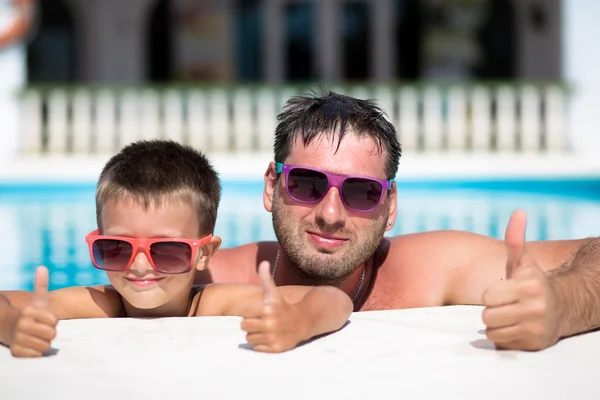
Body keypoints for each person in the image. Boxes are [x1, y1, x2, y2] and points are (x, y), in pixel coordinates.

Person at [195, 91, 600, 351]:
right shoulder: (210, 274)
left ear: (390, 207)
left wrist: (563, 303)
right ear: (271, 187)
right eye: (307, 183)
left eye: (361, 191)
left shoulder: (432, 268)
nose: (330, 214)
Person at [0, 140, 353, 357]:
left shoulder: (211, 304)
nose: (139, 266)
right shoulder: (100, 302)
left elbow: (334, 300)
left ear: (204, 252)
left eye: (166, 250)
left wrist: (299, 322)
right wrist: (13, 325)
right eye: (117, 248)